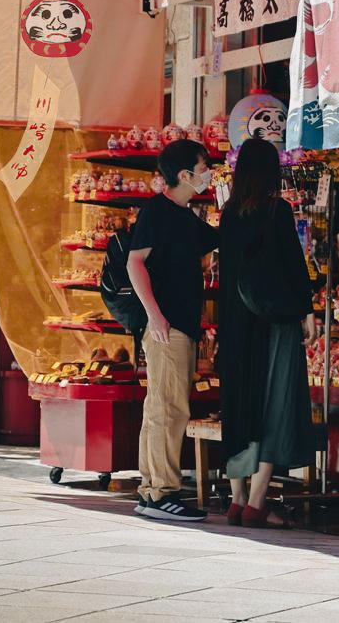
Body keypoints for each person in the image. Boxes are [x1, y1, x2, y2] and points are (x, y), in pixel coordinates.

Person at [217, 139, 318, 528]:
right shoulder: (277, 211)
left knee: (242, 404)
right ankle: (258, 501)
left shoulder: (228, 215)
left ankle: (237, 497)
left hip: (237, 326)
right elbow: (293, 265)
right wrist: (306, 312)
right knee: (276, 402)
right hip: (275, 323)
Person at [127, 139, 219, 521]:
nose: (208, 173)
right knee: (169, 409)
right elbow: (135, 264)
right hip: (168, 327)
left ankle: (151, 489)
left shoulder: (185, 215)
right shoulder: (158, 211)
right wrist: (155, 315)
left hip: (179, 325)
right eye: (204, 166)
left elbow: (217, 239)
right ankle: (162, 491)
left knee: (159, 409)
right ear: (185, 174)